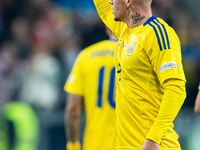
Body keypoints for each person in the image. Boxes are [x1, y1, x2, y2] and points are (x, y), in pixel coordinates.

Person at [93, 0, 187, 150]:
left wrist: (153, 139)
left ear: (128, 1)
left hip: (153, 145)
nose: (110, 1)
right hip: (123, 146)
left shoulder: (158, 33)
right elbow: (102, 7)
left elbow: (176, 89)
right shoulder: (126, 31)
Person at [64, 27, 118, 150]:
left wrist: (73, 145)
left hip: (95, 144)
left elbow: (72, 108)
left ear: (107, 28)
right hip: (133, 143)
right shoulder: (140, 55)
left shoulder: (86, 56)